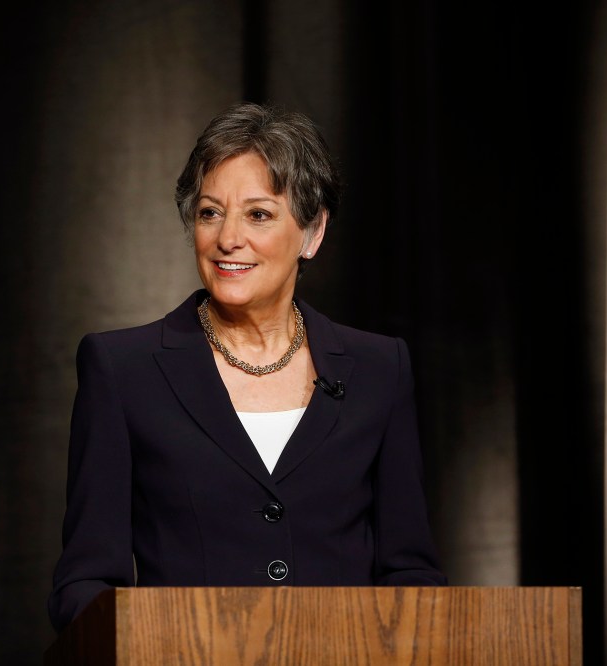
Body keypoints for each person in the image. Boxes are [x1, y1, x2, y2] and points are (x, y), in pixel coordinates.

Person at [48, 102, 446, 631]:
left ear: (313, 232)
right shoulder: (123, 370)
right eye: (210, 212)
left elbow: (410, 573)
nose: (227, 238)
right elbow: (84, 585)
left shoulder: (379, 369)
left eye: (258, 214)